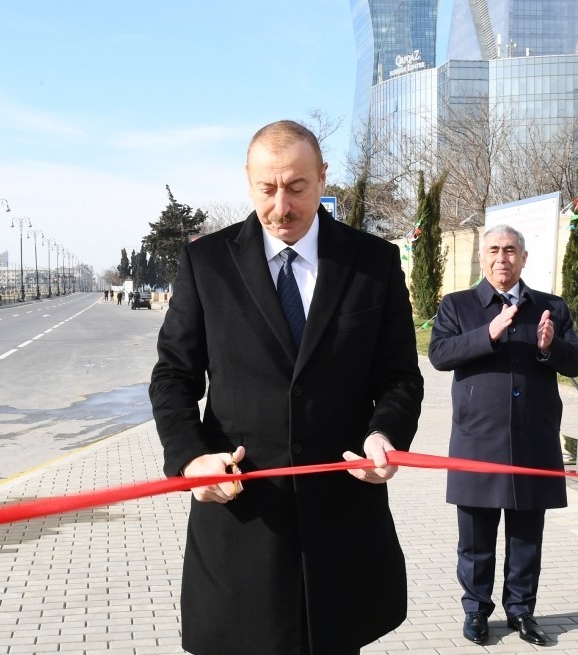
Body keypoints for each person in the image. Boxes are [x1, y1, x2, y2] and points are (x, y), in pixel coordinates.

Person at [149, 119, 424, 655]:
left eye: (297, 188)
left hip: (342, 526)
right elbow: (173, 376)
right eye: (267, 189)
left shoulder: (373, 262)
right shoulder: (207, 264)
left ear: (323, 179)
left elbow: (399, 376)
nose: (282, 206)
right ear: (248, 183)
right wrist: (190, 460)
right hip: (243, 522)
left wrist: (385, 434)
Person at [427, 225, 578, 647]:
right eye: (495, 250)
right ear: (483, 257)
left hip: (534, 440)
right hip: (478, 441)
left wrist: (552, 345)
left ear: (524, 258)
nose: (503, 258)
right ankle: (476, 611)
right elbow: (439, 354)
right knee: (476, 537)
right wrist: (488, 333)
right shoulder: (458, 305)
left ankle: (522, 611)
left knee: (526, 537)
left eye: (511, 250)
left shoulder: (550, 307)